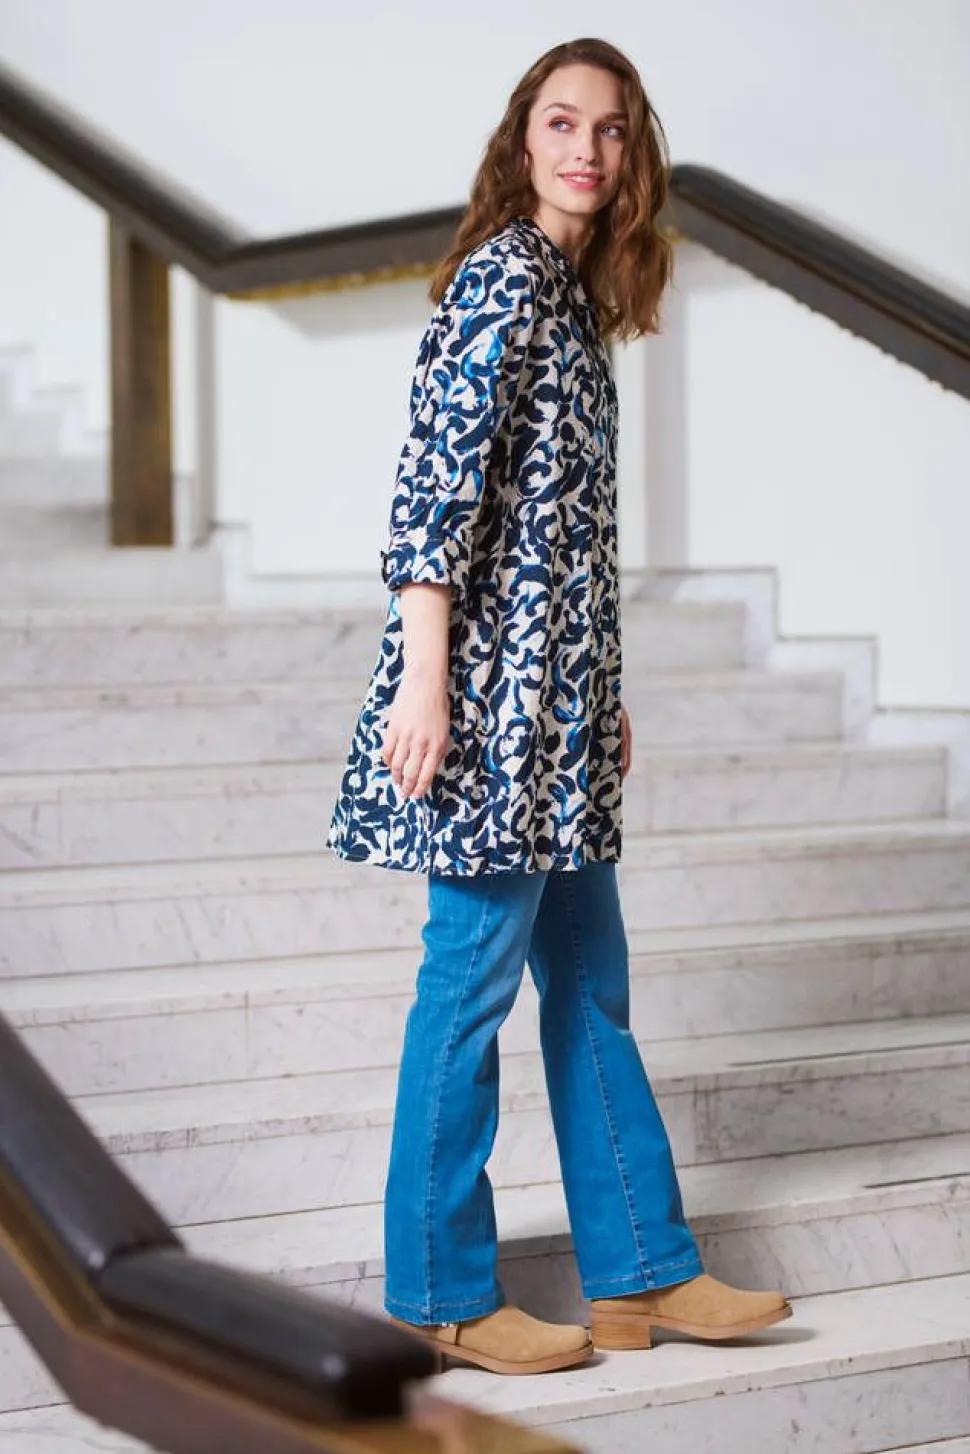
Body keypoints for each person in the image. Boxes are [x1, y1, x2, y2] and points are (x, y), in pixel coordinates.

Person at [327, 35, 791, 1376]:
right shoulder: (505, 277)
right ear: (521, 141)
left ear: (632, 155)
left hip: (564, 715)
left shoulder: (575, 305)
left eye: (611, 128)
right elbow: (435, 492)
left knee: (590, 985)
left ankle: (643, 1271)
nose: (586, 148)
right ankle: (437, 1290)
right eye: (561, 122)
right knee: (465, 987)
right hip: (489, 711)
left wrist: (606, 690)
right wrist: (426, 678)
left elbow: (564, 531)